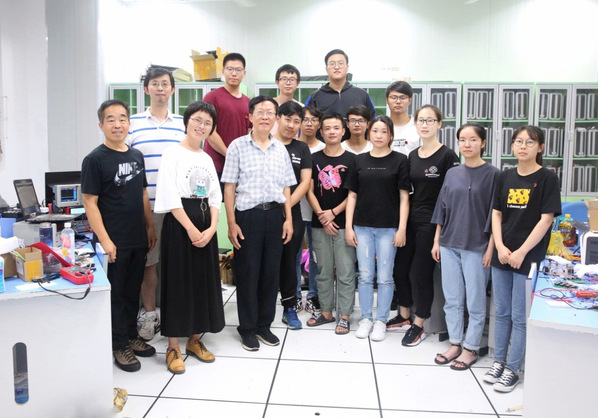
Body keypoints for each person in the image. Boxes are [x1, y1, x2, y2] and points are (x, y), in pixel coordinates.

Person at [82, 100, 157, 372]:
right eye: (111, 119)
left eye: (122, 118)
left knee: (131, 291)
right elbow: (89, 202)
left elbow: (143, 193)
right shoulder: (95, 159)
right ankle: (118, 344)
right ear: (101, 125)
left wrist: (149, 227)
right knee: (116, 294)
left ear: (129, 123)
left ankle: (131, 336)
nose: (117, 124)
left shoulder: (136, 155)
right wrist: (105, 239)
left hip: (137, 237)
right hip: (114, 241)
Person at [484, 126, 560, 392]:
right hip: (503, 253)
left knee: (519, 315)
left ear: (540, 147)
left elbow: (546, 219)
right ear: (512, 146)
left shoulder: (547, 178)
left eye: (530, 142)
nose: (523, 146)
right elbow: (496, 213)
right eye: (518, 141)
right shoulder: (505, 176)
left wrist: (522, 252)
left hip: (528, 256)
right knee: (501, 312)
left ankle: (513, 368)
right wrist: (500, 247)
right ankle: (498, 361)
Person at [154, 101, 225, 374]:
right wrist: (190, 228)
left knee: (201, 281)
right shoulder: (172, 153)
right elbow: (170, 194)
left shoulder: (206, 158)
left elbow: (215, 195)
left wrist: (212, 227)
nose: (201, 126)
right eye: (197, 120)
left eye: (207, 123)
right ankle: (173, 346)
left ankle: (195, 339)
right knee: (177, 282)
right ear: (186, 122)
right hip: (180, 222)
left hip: (206, 222)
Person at [221, 96, 296, 351]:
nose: (265, 116)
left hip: (275, 216)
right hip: (248, 217)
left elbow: (286, 187)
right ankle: (247, 328)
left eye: (270, 112)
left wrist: (288, 219)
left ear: (276, 118)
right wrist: (231, 223)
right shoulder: (237, 146)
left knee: (270, 274)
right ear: (250, 116)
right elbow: (229, 187)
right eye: (260, 112)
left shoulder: (280, 149)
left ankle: (264, 325)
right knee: (248, 273)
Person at [431, 123, 500, 370]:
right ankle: (455, 343)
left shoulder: (493, 174)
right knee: (452, 298)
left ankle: (471, 348)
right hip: (449, 243)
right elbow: (442, 208)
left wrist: (491, 247)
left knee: (475, 300)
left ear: (483, 143)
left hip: (477, 246)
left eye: (472, 140)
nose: (467, 144)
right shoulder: (452, 173)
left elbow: (496, 215)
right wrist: (437, 240)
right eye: (462, 140)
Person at [390, 105, 460, 346]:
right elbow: (407, 192)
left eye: (430, 120)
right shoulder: (412, 156)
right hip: (410, 219)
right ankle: (404, 314)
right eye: (421, 120)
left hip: (432, 223)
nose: (425, 124)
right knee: (400, 269)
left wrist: (439, 234)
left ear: (439, 124)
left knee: (421, 273)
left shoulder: (448, 156)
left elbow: (452, 196)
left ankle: (419, 323)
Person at [127, 67, 186, 342]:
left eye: (165, 84)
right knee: (149, 265)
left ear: (172, 89)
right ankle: (150, 315)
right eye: (155, 83)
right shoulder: (132, 123)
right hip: (145, 207)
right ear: (146, 89)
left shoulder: (182, 124)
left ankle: (178, 316)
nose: (160, 88)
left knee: (178, 265)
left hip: (177, 207)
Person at [345, 115, 410, 342]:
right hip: (362, 227)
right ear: (368, 133)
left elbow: (404, 198)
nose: (379, 135)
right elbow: (352, 196)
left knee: (385, 277)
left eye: (384, 131)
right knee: (364, 276)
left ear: (390, 135)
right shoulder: (358, 160)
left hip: (388, 228)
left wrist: (402, 229)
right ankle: (366, 318)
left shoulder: (400, 160)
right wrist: (348, 227)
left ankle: (381, 320)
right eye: (375, 131)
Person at [305, 113, 356, 335]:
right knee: (323, 271)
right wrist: (322, 215)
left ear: (343, 131)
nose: (332, 132)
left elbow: (353, 193)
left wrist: (333, 213)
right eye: (327, 128)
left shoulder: (353, 160)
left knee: (345, 271)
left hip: (344, 224)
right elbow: (308, 189)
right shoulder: (313, 158)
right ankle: (326, 312)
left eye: (336, 128)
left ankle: (344, 315)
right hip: (319, 224)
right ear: (321, 132)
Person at [274, 101, 312, 330]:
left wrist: (286, 205)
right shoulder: (267, 143)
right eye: (287, 119)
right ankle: (263, 306)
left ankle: (289, 307)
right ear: (278, 118)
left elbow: (305, 181)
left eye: (296, 121)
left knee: (289, 261)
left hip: (293, 211)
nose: (291, 125)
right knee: (266, 260)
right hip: (266, 211)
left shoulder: (301, 148)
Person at [304, 49, 375, 138]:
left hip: (356, 146)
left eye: (341, 63)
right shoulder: (315, 97)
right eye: (332, 64)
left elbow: (373, 124)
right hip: (324, 146)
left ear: (347, 67)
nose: (336, 67)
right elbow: (305, 125)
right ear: (326, 69)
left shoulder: (362, 95)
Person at [203, 53, 252, 179]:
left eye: (238, 70)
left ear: (244, 73)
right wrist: (230, 155)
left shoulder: (248, 102)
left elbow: (249, 134)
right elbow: (209, 132)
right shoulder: (212, 97)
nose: (234, 73)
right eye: (230, 69)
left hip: (240, 166)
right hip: (215, 165)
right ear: (223, 71)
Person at [297, 106, 325, 314]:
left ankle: (314, 295)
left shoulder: (325, 148)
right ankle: (295, 296)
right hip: (295, 210)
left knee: (316, 257)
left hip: (318, 213)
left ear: (319, 124)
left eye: (313, 120)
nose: (309, 123)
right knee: (294, 256)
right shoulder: (292, 147)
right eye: (305, 119)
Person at [387, 81, 420, 157]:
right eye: (393, 97)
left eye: (403, 98)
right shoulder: (381, 126)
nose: (398, 101)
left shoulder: (419, 126)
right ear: (387, 100)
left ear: (410, 100)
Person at [272, 64, 303, 136]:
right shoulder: (268, 106)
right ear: (277, 82)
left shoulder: (301, 108)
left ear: (298, 83)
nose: (288, 83)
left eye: (292, 79)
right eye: (284, 79)